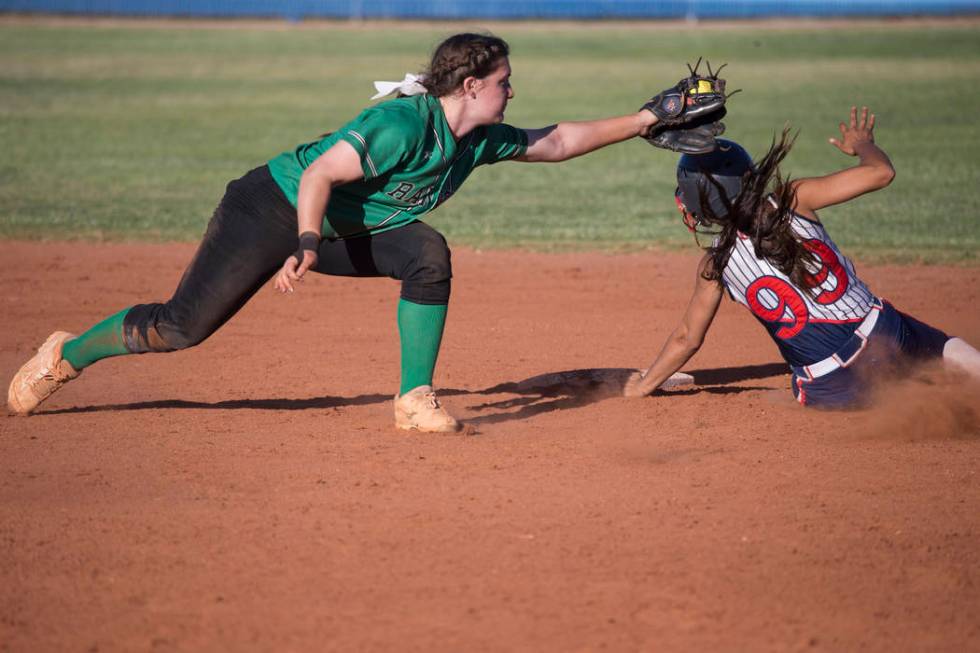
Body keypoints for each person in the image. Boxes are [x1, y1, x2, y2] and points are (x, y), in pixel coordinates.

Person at [8, 33, 714, 430]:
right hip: (273, 208)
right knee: (182, 326)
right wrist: (307, 242)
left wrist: (646, 118)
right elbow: (317, 176)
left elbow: (558, 141)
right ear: (469, 87)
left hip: (337, 227)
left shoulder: (477, 139)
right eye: (504, 80)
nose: (512, 91)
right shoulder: (402, 123)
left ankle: (413, 398)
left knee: (427, 253)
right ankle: (68, 352)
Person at [624, 107, 980, 408]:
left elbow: (688, 338)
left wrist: (642, 386)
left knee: (817, 395)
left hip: (831, 384)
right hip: (888, 334)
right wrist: (864, 145)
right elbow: (881, 173)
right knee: (943, 347)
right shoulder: (794, 198)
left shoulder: (715, 264)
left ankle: (914, 401)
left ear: (697, 203)